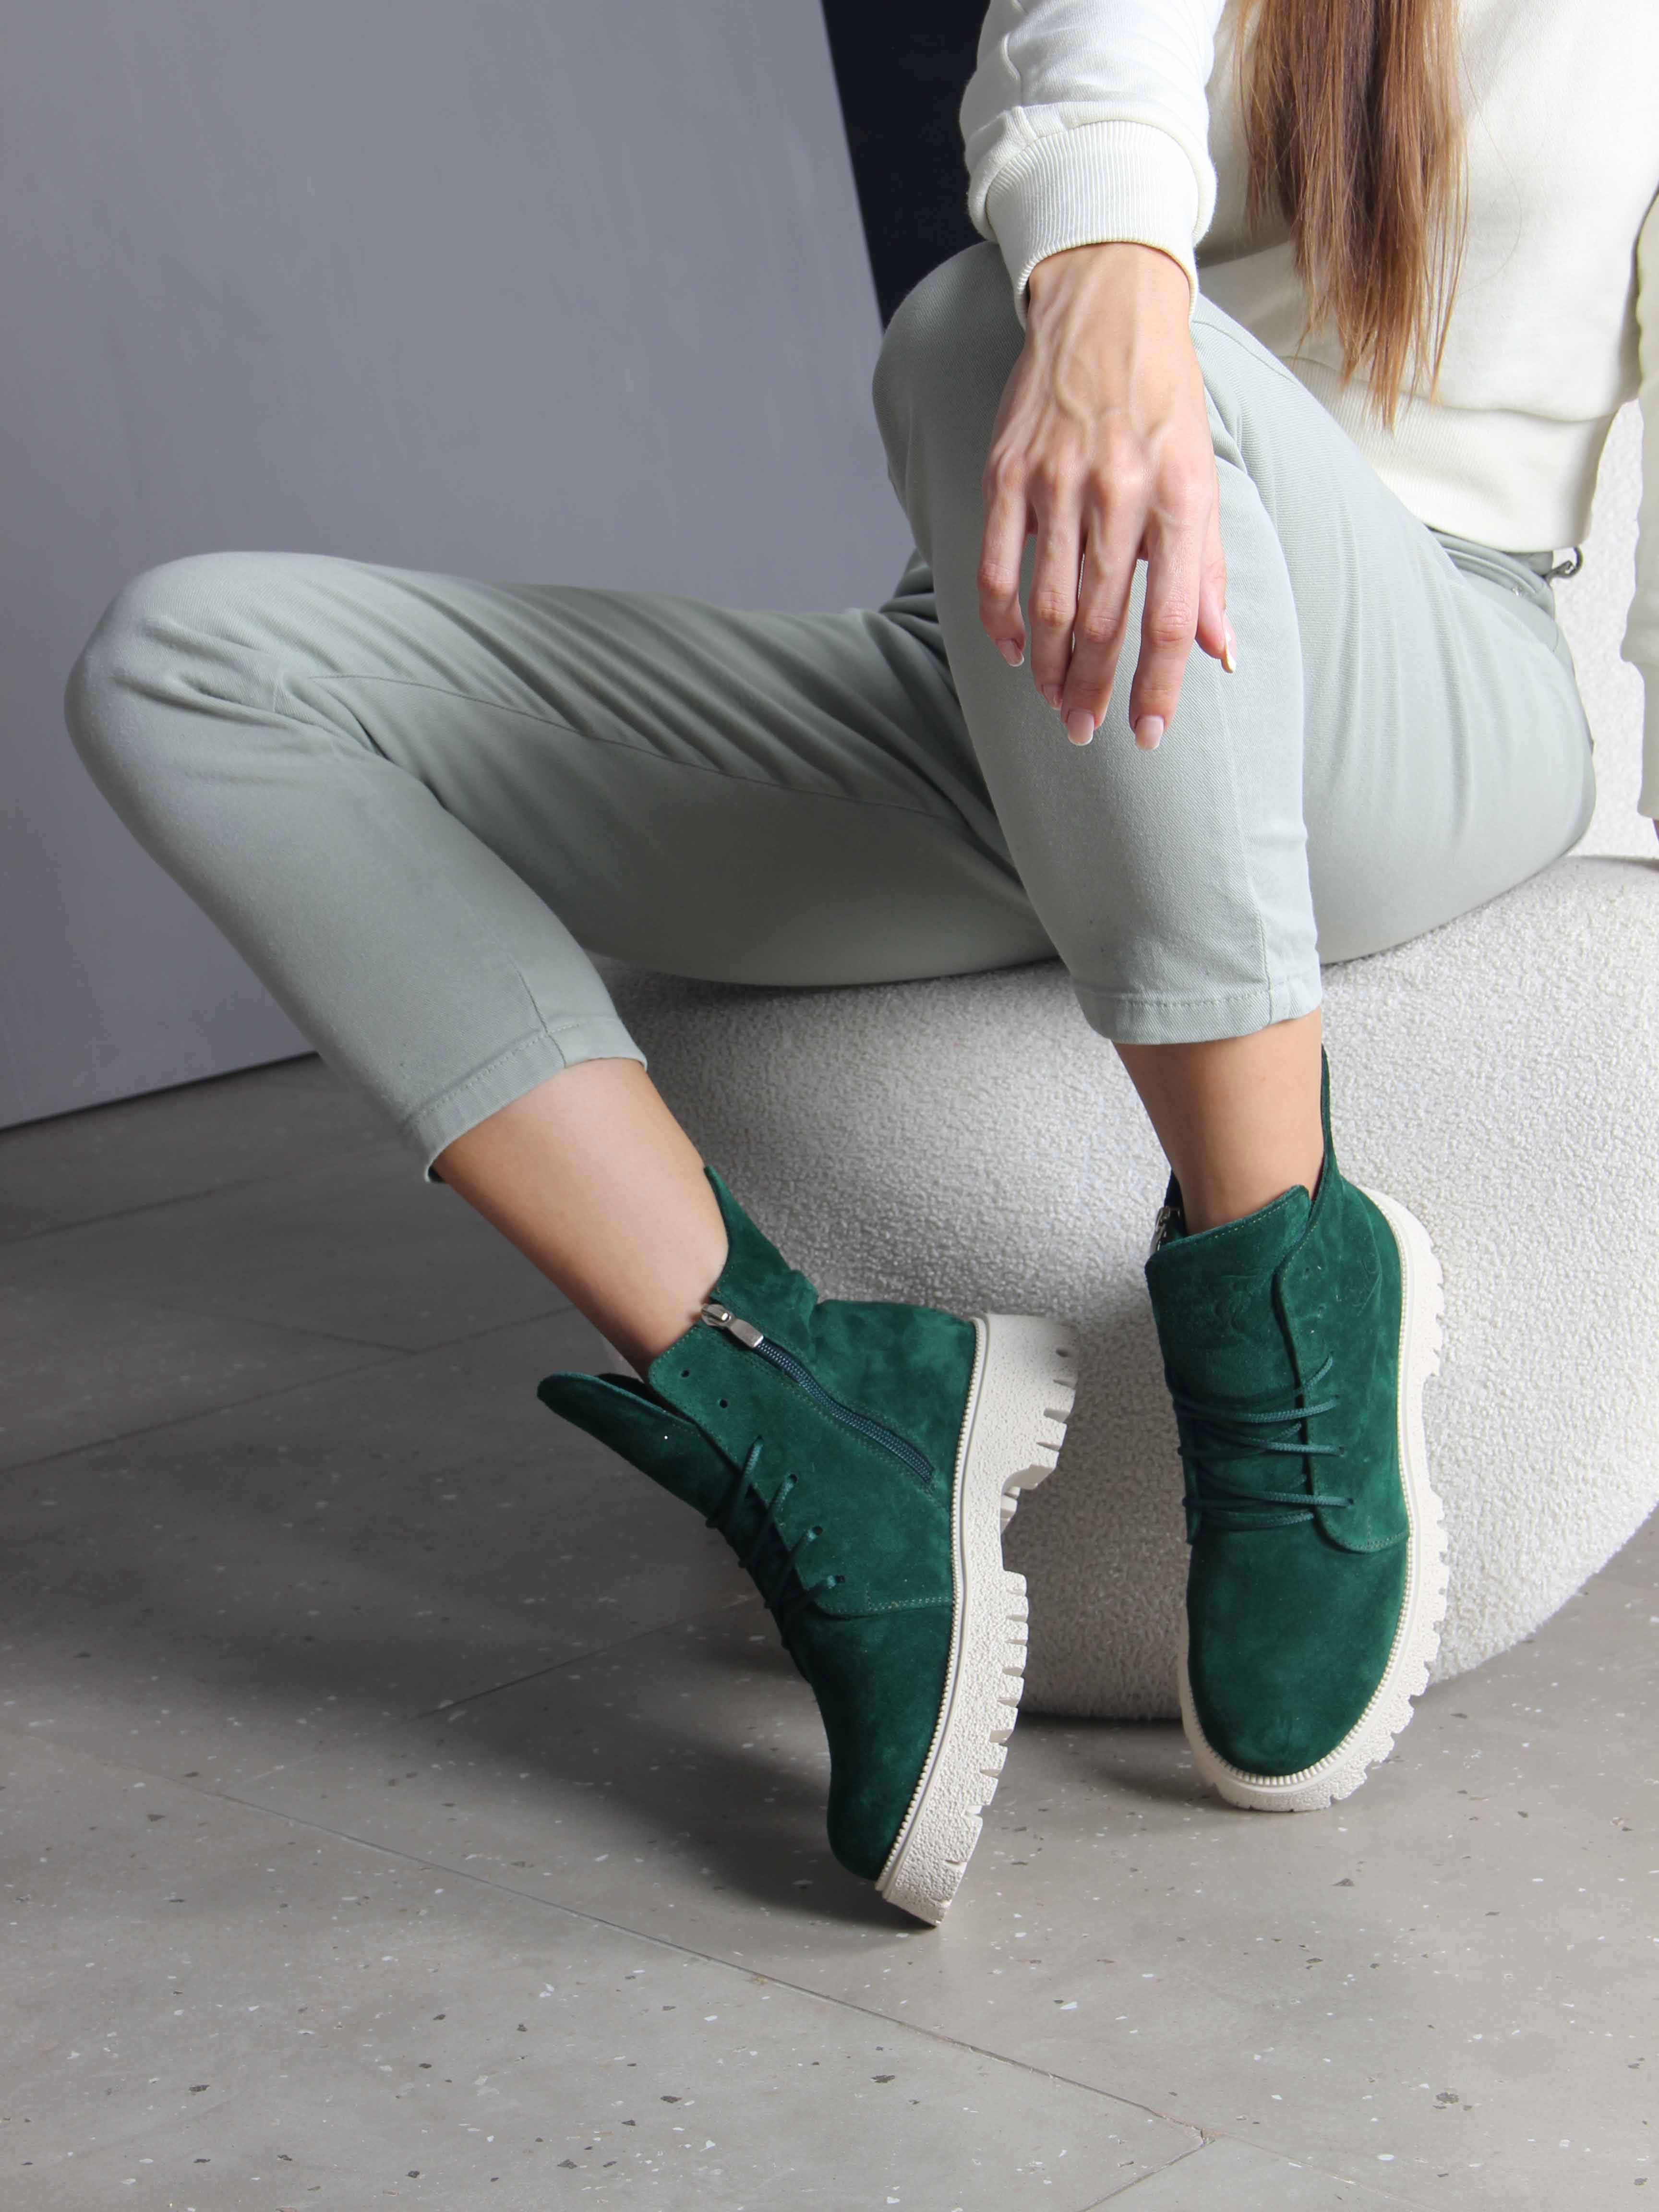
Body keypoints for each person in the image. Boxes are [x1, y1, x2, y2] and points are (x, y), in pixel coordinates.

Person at [61, 0, 1658, 1924]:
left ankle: (1285, 1272)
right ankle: (809, 1412)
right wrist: (1102, 284)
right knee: (197, 671)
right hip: (1018, 678)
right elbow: (1084, 72)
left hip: (1425, 685)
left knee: (992, 313)